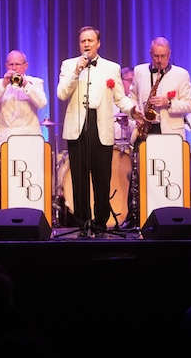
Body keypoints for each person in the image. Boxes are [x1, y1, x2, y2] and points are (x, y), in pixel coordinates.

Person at [57, 26, 132, 234]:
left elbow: (120, 98)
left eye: (90, 40)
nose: (87, 44)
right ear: (79, 44)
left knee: (101, 178)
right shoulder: (69, 65)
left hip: (101, 128)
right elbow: (62, 93)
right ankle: (82, 223)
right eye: (83, 41)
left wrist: (134, 109)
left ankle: (100, 223)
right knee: (79, 178)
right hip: (77, 128)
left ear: (98, 43)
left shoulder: (111, 67)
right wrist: (76, 71)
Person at [128, 37, 191, 140]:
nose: (159, 60)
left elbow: (189, 105)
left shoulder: (181, 74)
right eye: (156, 56)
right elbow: (132, 97)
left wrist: (168, 103)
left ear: (169, 54)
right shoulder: (139, 71)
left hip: (170, 132)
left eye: (163, 56)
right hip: (144, 129)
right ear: (150, 54)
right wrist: (136, 113)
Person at [0, 50, 47, 151]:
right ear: (6, 66)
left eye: (17, 64)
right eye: (11, 64)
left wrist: (26, 84)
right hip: (5, 141)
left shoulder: (35, 82)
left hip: (30, 141)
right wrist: (4, 85)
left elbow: (42, 103)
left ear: (25, 66)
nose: (14, 68)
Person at [114, 67, 136, 142]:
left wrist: (128, 124)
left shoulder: (135, 101)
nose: (132, 84)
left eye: (134, 81)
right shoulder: (111, 100)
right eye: (130, 80)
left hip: (131, 142)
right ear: (120, 81)